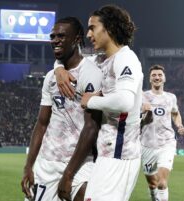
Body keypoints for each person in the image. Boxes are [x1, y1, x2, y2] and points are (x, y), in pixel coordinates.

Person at [54, 5, 143, 200]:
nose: (88, 34)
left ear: (108, 28)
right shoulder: (101, 60)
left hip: (120, 153)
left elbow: (125, 101)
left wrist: (91, 100)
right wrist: (58, 69)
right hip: (107, 152)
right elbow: (70, 59)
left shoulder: (126, 59)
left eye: (93, 27)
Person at [20, 16, 103, 201]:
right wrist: (28, 166)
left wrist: (68, 174)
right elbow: (41, 124)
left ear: (77, 39)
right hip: (47, 164)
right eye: (53, 36)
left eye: (62, 36)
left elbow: (91, 127)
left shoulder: (91, 74)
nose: (55, 40)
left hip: (80, 163)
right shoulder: (51, 77)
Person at [140, 64, 184, 201]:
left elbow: (175, 113)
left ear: (164, 78)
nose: (157, 77)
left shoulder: (171, 97)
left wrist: (179, 124)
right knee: (152, 184)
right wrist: (146, 116)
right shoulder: (143, 97)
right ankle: (154, 197)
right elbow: (139, 122)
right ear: (150, 79)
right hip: (147, 144)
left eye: (160, 75)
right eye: (154, 75)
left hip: (167, 143)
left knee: (161, 183)